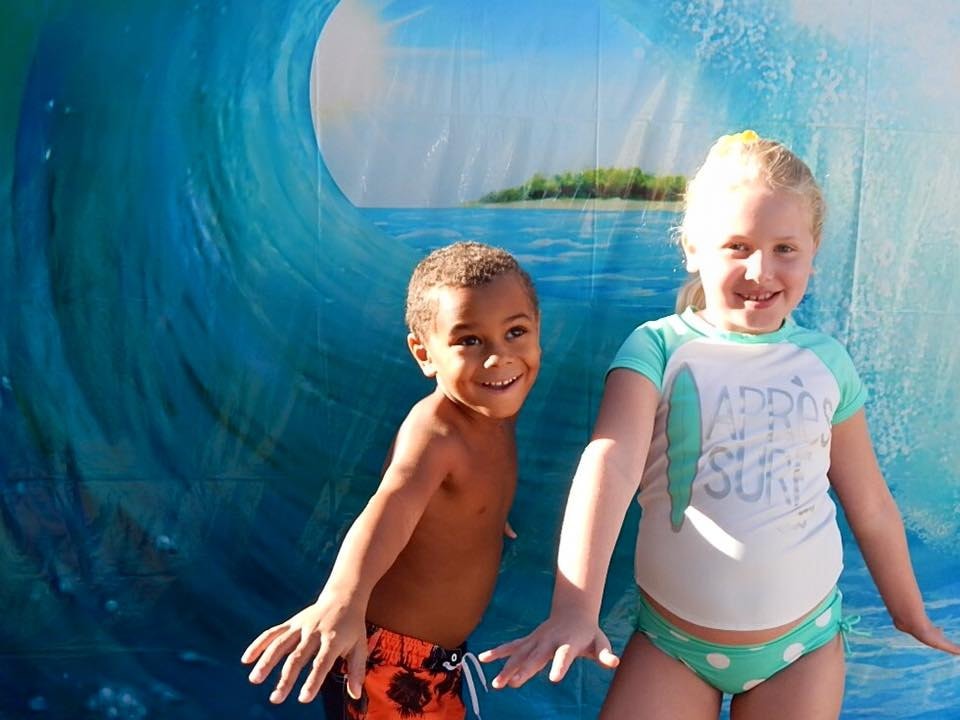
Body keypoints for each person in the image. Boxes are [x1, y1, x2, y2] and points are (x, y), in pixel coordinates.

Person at [478, 131, 960, 719]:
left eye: (785, 248)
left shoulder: (826, 363)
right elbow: (610, 463)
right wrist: (575, 607)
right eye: (737, 245)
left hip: (801, 647)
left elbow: (873, 506)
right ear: (693, 249)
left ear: (813, 251)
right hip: (673, 648)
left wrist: (908, 612)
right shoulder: (659, 346)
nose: (761, 269)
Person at [242, 241, 541, 719]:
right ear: (425, 354)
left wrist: (484, 517)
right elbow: (393, 504)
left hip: (439, 662)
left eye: (516, 332)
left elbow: (458, 494)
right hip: (384, 664)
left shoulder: (493, 410)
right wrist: (343, 598)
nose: (498, 358)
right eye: (469, 341)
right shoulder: (436, 431)